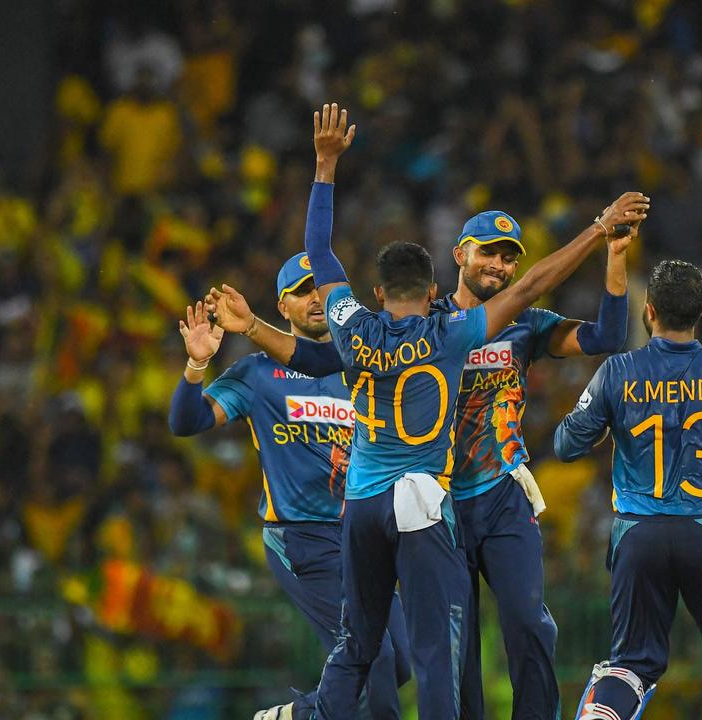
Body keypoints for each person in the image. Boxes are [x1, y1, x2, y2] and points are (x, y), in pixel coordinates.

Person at [252, 102, 648, 720]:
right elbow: (530, 289)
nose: (501, 263)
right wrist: (595, 230)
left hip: (451, 492)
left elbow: (601, 335)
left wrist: (325, 167)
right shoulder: (455, 332)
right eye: (489, 251)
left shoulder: (360, 327)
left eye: (509, 254)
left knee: (485, 630)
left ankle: (310, 714)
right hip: (434, 500)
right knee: (446, 650)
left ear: (380, 294)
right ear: (451, 263)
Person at [166, 255, 411, 719]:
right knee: (372, 653)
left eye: (321, 287)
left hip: (362, 535)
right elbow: (187, 421)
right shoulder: (258, 375)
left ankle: (298, 716)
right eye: (302, 291)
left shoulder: (360, 369)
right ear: (282, 307)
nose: (316, 297)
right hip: (302, 538)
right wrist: (197, 365)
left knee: (399, 663)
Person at [553, 259, 702, 720]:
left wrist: (605, 427)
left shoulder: (618, 370)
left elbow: (565, 444)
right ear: (700, 312)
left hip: (637, 534)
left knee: (630, 665)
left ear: (649, 311)